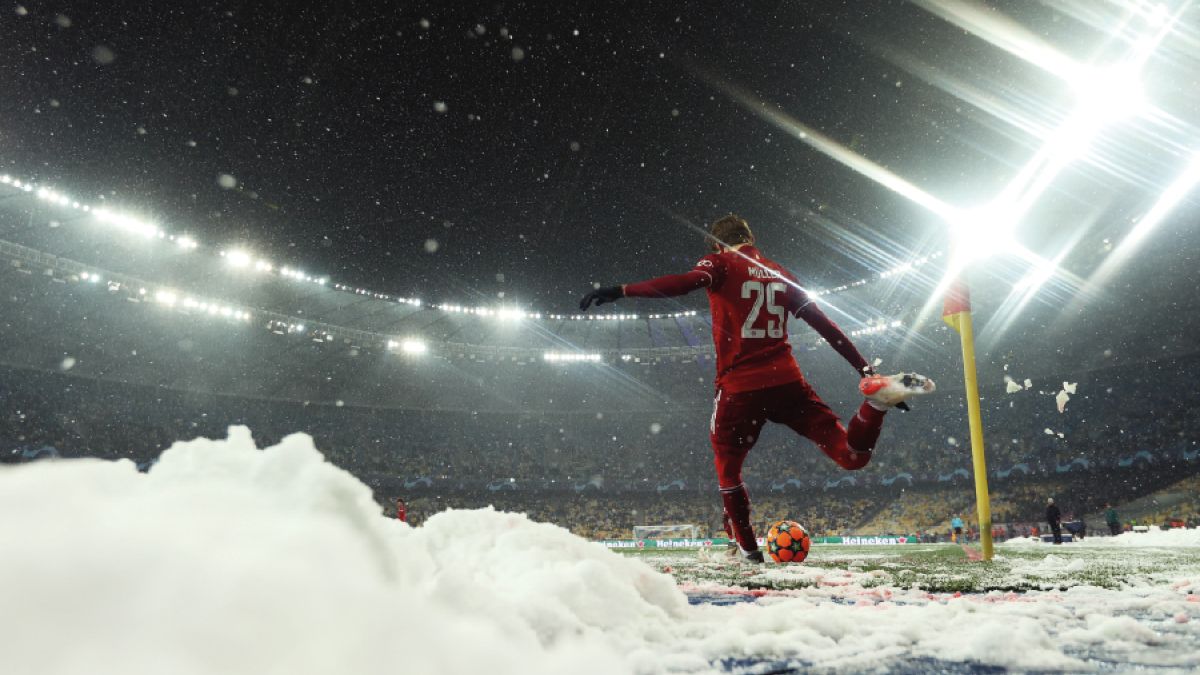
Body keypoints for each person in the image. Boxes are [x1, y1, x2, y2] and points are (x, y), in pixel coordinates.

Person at [579, 214, 935, 563]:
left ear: (716, 243)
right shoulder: (781, 273)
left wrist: (623, 290)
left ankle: (748, 553)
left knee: (728, 471)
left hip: (740, 388)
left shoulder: (718, 262)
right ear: (750, 237)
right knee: (850, 456)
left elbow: (685, 283)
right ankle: (876, 406)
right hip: (787, 381)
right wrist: (864, 368)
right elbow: (826, 326)